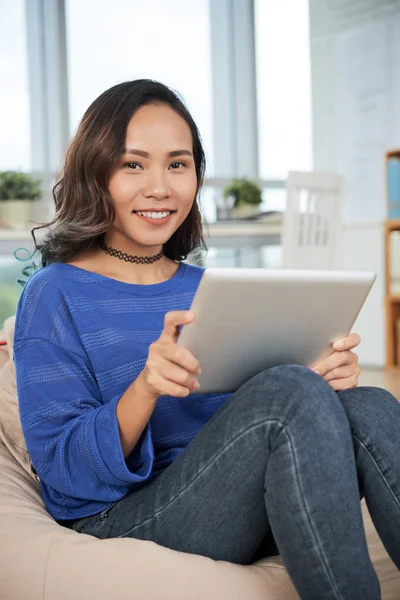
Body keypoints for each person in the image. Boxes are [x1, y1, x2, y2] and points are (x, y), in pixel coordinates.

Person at [13, 79, 399, 600]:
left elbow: (251, 422)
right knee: (289, 392)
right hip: (125, 516)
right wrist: (145, 388)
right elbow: (63, 472)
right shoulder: (53, 293)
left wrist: (320, 385)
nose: (160, 187)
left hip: (236, 499)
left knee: (372, 404)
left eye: (178, 163)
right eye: (133, 164)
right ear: (95, 172)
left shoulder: (206, 288)